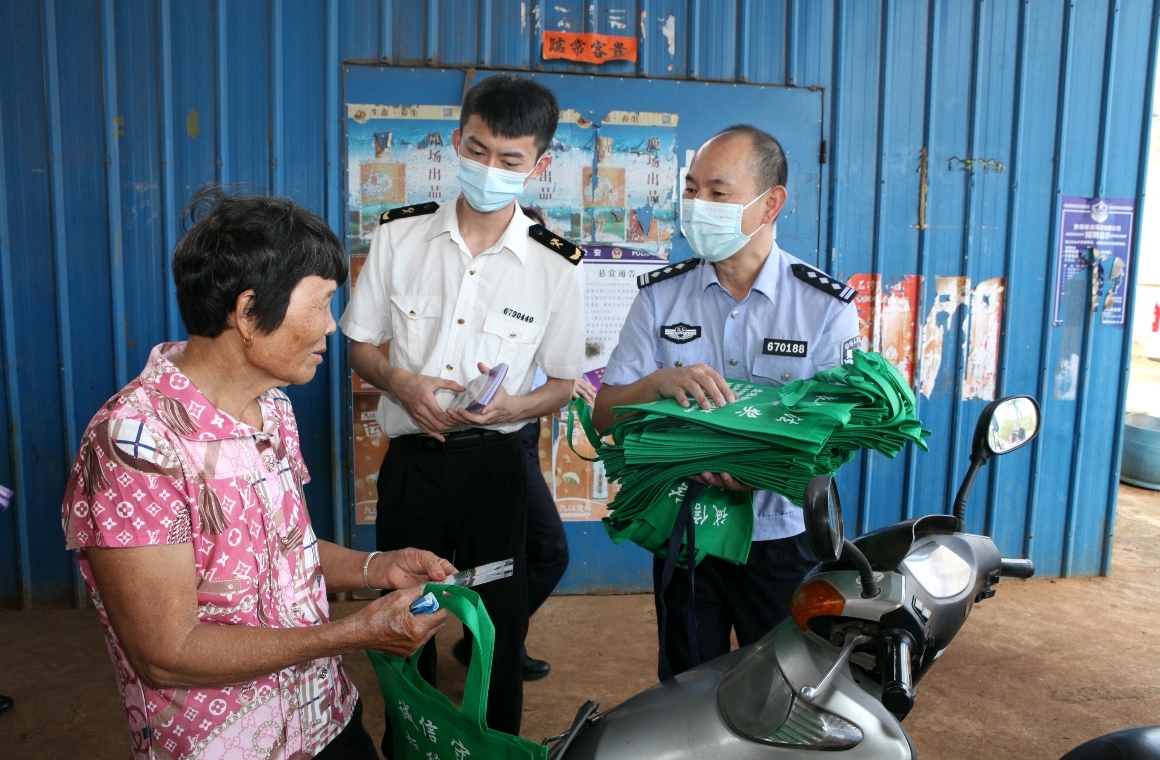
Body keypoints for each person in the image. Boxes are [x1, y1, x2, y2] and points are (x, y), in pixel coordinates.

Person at [61, 186, 455, 760]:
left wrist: (375, 568)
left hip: (325, 714)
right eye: (319, 304)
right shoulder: (133, 444)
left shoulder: (272, 405)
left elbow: (281, 551)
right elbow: (165, 652)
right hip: (228, 744)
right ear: (248, 313)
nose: (332, 327)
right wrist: (352, 633)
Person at [340, 74, 584, 740]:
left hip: (497, 468)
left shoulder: (555, 265)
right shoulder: (398, 238)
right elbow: (358, 346)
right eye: (477, 151)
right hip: (412, 466)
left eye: (510, 160)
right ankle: (408, 744)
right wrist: (401, 383)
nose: (490, 169)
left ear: (539, 165)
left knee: (499, 626)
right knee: (403, 616)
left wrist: (513, 403)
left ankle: (495, 747)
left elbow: (563, 382)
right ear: (456, 141)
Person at [592, 125, 860, 676]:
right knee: (687, 690)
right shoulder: (660, 298)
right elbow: (604, 413)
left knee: (788, 687)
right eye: (691, 190)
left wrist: (764, 470)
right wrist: (656, 385)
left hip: (786, 536)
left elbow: (843, 430)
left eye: (718, 193)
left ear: (771, 203)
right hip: (689, 531)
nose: (698, 205)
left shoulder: (824, 308)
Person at [449, 207, 586, 683]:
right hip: (490, 440)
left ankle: (492, 640)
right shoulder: (476, 290)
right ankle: (493, 639)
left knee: (522, 556)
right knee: (547, 551)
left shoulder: (547, 284)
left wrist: (570, 383)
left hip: (522, 435)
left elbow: (554, 364)